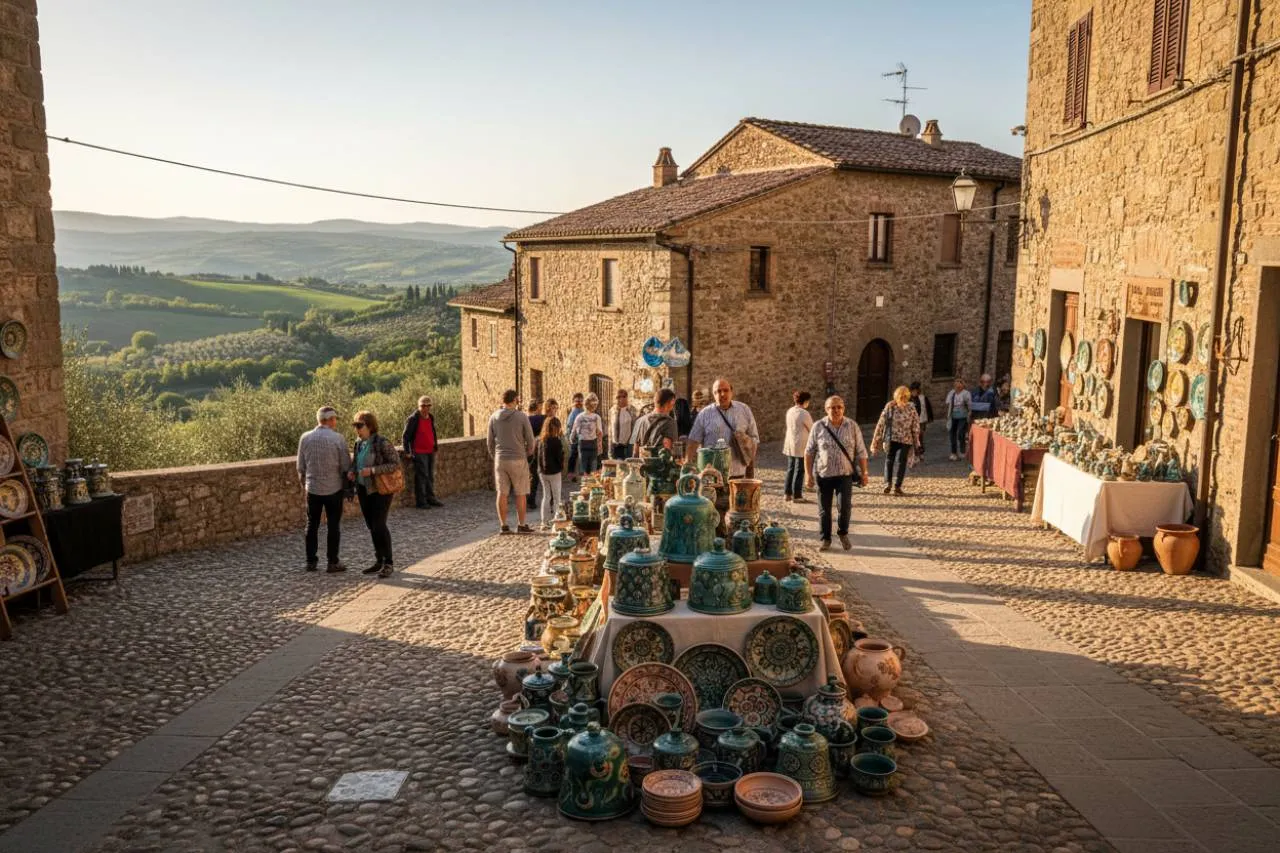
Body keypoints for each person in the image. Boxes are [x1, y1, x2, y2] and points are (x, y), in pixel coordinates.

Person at [803, 395, 869, 552]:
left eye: (839, 407)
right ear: (826, 410)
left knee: (844, 506)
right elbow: (809, 451)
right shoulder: (818, 426)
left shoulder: (852, 426)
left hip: (844, 474)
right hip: (823, 474)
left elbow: (861, 451)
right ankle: (825, 539)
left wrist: (865, 472)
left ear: (843, 409)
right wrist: (808, 475)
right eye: (832, 407)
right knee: (824, 509)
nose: (836, 410)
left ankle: (843, 533)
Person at [296, 406, 350, 573]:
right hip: (334, 488)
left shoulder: (305, 438)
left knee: (312, 524)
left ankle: (311, 561)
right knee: (333, 525)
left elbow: (300, 467)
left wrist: (305, 485)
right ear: (330, 419)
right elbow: (346, 466)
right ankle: (332, 562)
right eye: (335, 419)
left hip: (312, 489)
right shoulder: (338, 439)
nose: (335, 422)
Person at [349, 410, 400, 578]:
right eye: (355, 425)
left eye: (359, 425)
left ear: (370, 426)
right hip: (364, 489)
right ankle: (379, 560)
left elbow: (395, 464)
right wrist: (352, 472)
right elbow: (356, 462)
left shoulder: (382, 442)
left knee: (379, 524)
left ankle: (388, 562)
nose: (356, 429)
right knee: (371, 525)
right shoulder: (358, 443)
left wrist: (372, 470)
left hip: (381, 490)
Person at [686, 377, 760, 479]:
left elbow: (754, 439)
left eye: (726, 390)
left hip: (738, 473)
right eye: (718, 391)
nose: (722, 394)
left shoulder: (744, 410)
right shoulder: (704, 414)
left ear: (731, 392)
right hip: (712, 475)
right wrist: (687, 465)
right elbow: (693, 441)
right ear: (714, 394)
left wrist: (749, 468)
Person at [487, 389, 536, 534]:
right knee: (521, 493)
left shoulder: (494, 417)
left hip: (500, 459)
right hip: (518, 458)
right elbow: (531, 440)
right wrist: (528, 453)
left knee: (502, 493)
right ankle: (521, 525)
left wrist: (495, 456)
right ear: (514, 400)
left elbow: (489, 442)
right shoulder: (521, 417)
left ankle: (503, 525)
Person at [871, 386, 923, 496]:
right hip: (894, 438)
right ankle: (890, 485)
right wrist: (875, 441)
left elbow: (915, 426)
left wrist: (916, 441)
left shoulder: (910, 408)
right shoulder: (891, 407)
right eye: (902, 396)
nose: (903, 398)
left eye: (905, 396)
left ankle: (895, 486)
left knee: (898, 461)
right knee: (893, 461)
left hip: (903, 439)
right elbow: (881, 424)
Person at [401, 396, 443, 509]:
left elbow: (432, 432)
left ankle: (431, 498)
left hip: (430, 450)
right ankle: (421, 502)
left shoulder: (431, 417)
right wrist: (407, 451)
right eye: (423, 405)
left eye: (428, 405)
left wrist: (435, 445)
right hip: (419, 451)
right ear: (418, 406)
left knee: (430, 475)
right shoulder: (413, 419)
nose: (426, 408)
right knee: (422, 476)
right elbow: (405, 437)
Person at [783, 390, 814, 503]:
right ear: (805, 401)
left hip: (790, 443)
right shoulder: (804, 413)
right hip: (801, 444)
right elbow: (812, 429)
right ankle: (797, 495)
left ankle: (787, 493)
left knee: (790, 469)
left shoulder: (790, 411)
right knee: (800, 469)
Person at [535, 416, 565, 530]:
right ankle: (557, 521)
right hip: (554, 472)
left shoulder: (540, 440)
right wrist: (561, 466)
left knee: (546, 496)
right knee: (557, 497)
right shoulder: (556, 441)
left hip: (542, 472)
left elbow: (538, 457)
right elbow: (560, 457)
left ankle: (544, 521)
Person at [630, 388, 679, 455]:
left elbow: (635, 451)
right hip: (659, 464)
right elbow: (667, 447)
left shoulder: (639, 421)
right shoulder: (669, 422)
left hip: (642, 463)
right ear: (670, 402)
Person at [570, 393, 604, 475]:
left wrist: (572, 441)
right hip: (593, 443)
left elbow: (573, 433)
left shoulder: (579, 416)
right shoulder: (596, 417)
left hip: (582, 444)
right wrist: (600, 447)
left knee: (584, 469)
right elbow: (599, 433)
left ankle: (584, 485)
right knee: (593, 470)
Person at [944, 378, 973, 460]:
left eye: (960, 383)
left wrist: (969, 413)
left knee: (960, 433)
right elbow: (948, 403)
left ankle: (962, 450)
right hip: (953, 416)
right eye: (957, 383)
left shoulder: (966, 393)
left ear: (963, 385)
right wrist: (948, 415)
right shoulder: (952, 393)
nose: (958, 385)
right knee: (952, 434)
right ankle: (953, 452)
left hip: (963, 416)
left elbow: (969, 405)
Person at [606, 390, 639, 460]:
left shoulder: (633, 410)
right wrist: (610, 448)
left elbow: (637, 428)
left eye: (623, 396)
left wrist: (636, 447)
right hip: (616, 445)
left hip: (630, 445)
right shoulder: (612, 411)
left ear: (627, 397)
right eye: (618, 397)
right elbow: (610, 430)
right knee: (617, 468)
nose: (621, 399)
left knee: (628, 466)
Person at [526, 400, 544, 505]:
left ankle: (527, 497)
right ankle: (531, 499)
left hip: (525, 449)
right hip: (537, 449)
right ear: (537, 408)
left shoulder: (525, 419)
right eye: (540, 408)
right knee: (535, 476)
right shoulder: (541, 418)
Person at [908, 381, 933, 454]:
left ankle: (920, 450)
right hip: (913, 420)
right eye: (913, 391)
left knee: (920, 436)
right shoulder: (910, 399)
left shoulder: (923, 398)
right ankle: (915, 451)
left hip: (922, 419)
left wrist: (930, 417)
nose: (914, 392)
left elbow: (928, 408)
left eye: (916, 390)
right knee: (914, 436)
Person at [565, 392, 585, 482]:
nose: (579, 403)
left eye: (581, 401)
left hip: (581, 438)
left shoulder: (582, 411)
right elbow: (569, 426)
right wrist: (571, 438)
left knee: (576, 457)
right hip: (575, 439)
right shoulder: (573, 412)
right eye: (577, 401)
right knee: (574, 457)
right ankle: (572, 475)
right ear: (573, 401)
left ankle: (576, 475)